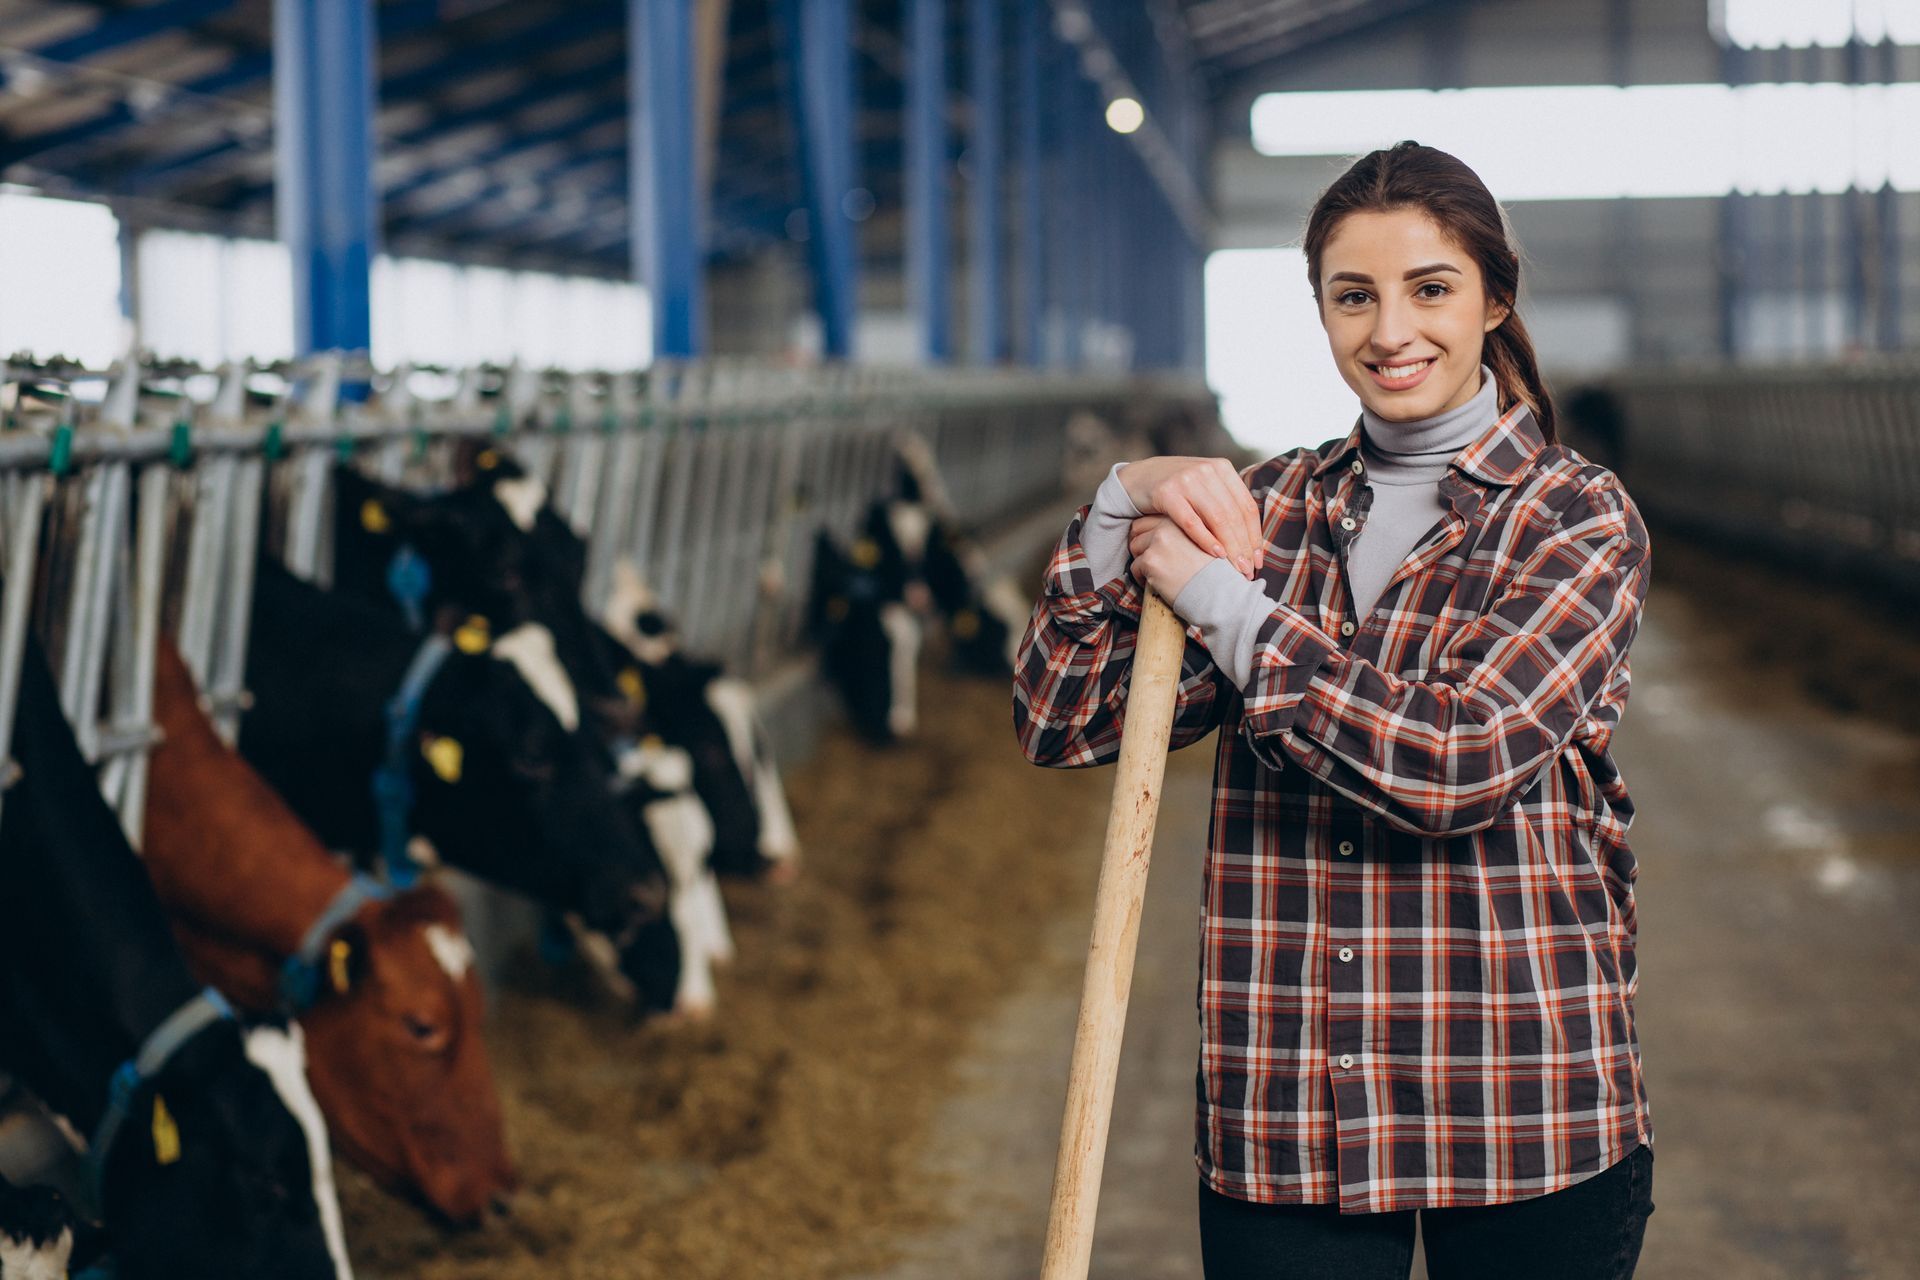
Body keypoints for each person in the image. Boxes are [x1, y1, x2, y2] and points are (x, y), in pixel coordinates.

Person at [1012, 140, 1655, 1280]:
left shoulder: (1577, 519)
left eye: (1431, 288)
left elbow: (1458, 761)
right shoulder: (1268, 509)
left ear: (1495, 297)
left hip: (1517, 1107)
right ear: (1319, 307)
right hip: (1290, 1116)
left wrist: (1230, 608)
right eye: (1352, 295)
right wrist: (1118, 505)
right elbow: (1064, 717)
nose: (1390, 330)